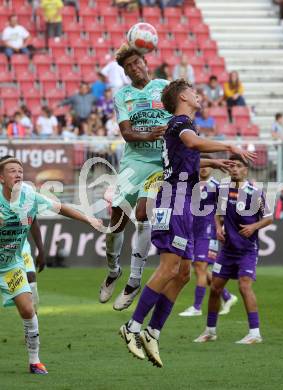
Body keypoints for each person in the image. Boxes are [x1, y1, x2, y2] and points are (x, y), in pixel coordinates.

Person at [118, 79, 256, 367]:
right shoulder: (181, 123)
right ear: (183, 96)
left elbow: (187, 155)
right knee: (170, 267)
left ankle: (153, 332)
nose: (197, 94)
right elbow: (191, 143)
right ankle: (131, 327)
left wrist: (213, 163)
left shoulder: (182, 126)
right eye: (193, 91)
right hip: (174, 199)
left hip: (185, 201)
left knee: (182, 273)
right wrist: (227, 146)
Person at [0, 155, 100, 374]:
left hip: (10, 265)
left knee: (28, 309)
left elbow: (61, 208)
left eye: (20, 170)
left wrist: (89, 219)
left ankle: (34, 361)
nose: (17, 174)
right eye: (11, 170)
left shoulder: (29, 196)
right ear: (1, 177)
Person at [98, 45, 172, 311]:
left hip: (157, 164)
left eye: (137, 62)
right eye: (128, 66)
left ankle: (134, 280)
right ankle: (113, 270)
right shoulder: (123, 95)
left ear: (145, 62)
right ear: (125, 72)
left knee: (143, 215)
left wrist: (171, 129)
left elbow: (182, 115)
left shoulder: (165, 87)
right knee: (115, 223)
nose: (134, 68)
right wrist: (149, 135)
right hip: (133, 162)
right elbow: (127, 133)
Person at [194, 155, 273, 344]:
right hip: (227, 250)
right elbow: (217, 212)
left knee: (244, 287)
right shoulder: (223, 190)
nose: (235, 169)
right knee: (215, 288)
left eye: (239, 166)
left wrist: (254, 227)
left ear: (246, 170)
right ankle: (210, 331)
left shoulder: (255, 192)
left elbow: (269, 217)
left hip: (247, 250)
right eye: (232, 166)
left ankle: (255, 333)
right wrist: (218, 226)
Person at [179, 163, 238, 317]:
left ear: (212, 168)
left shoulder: (216, 187)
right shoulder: (191, 185)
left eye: (207, 167)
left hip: (208, 230)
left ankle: (197, 307)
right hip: (192, 231)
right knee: (200, 269)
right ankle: (227, 296)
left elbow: (225, 208)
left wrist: (223, 226)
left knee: (200, 266)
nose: (204, 169)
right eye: (201, 166)